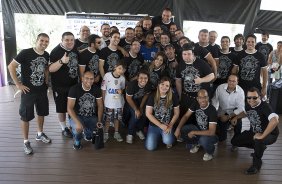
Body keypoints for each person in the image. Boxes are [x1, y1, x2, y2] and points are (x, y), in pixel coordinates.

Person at [8, 33, 51, 155]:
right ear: (36, 40)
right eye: (42, 40)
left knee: (41, 112)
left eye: (46, 41)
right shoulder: (25, 53)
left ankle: (39, 134)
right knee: (25, 116)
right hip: (28, 91)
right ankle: (26, 142)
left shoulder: (47, 55)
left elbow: (46, 68)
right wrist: (18, 85)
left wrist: (46, 81)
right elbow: (11, 66)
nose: (44, 43)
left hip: (42, 90)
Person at [230, 87, 279, 174]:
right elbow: (245, 113)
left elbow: (274, 121)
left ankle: (256, 165)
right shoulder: (248, 104)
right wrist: (236, 117)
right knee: (234, 141)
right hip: (254, 131)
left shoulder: (264, 106)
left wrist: (262, 136)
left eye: (254, 97)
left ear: (259, 97)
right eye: (249, 97)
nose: (251, 100)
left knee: (258, 140)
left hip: (270, 134)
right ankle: (259, 148)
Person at [49, 32, 79, 138]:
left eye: (72, 40)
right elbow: (50, 69)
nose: (70, 42)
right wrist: (62, 61)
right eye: (67, 40)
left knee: (72, 107)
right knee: (61, 108)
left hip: (73, 85)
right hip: (60, 86)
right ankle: (63, 128)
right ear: (62, 40)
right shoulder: (56, 51)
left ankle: (72, 125)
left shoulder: (74, 48)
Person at [175, 89, 218, 161]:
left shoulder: (212, 110)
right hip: (199, 130)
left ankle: (210, 152)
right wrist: (178, 128)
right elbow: (186, 116)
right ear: (197, 99)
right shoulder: (196, 103)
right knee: (184, 129)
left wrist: (194, 132)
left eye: (205, 97)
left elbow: (211, 132)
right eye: (200, 98)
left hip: (210, 134)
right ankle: (197, 143)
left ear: (208, 98)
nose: (203, 100)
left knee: (203, 140)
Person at [175, 43, 214, 118]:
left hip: (200, 99)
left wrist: (201, 80)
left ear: (193, 54)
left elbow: (212, 76)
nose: (187, 56)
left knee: (200, 120)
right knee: (186, 118)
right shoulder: (180, 65)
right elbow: (178, 81)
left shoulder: (201, 63)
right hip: (186, 97)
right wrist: (180, 96)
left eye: (189, 54)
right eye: (184, 54)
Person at [67, 71, 103, 150]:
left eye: (91, 79)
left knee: (97, 127)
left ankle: (87, 134)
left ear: (94, 79)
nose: (89, 81)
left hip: (90, 116)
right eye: (87, 78)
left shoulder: (96, 89)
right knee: (78, 128)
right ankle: (77, 141)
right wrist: (77, 122)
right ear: (82, 78)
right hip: (77, 116)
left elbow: (100, 105)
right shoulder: (74, 89)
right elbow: (69, 108)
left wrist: (99, 121)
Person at [145, 76, 180, 151]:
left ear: (169, 87)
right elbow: (148, 114)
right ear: (158, 85)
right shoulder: (152, 96)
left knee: (168, 141)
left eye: (167, 85)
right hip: (154, 125)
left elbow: (177, 113)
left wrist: (170, 125)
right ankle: (156, 135)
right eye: (162, 84)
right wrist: (160, 125)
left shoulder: (173, 96)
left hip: (167, 125)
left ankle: (163, 136)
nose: (164, 87)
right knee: (150, 147)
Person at [212, 74, 245, 144]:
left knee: (238, 123)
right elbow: (214, 101)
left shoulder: (240, 92)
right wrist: (217, 114)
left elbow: (241, 108)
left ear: (237, 82)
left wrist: (229, 117)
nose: (231, 83)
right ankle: (224, 128)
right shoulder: (220, 88)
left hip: (234, 111)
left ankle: (236, 140)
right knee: (222, 138)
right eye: (230, 80)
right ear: (227, 80)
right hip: (222, 111)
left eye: (234, 81)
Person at [101, 60, 126, 143]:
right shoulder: (107, 75)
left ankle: (116, 132)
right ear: (115, 67)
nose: (121, 71)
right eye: (119, 68)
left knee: (117, 119)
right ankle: (106, 133)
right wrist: (104, 101)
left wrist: (121, 91)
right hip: (108, 102)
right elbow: (103, 89)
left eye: (123, 70)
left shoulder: (122, 78)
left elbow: (122, 88)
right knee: (107, 119)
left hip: (118, 103)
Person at [125, 70, 152, 144]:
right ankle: (130, 134)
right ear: (137, 78)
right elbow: (128, 98)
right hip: (131, 101)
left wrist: (141, 107)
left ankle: (138, 130)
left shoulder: (149, 85)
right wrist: (136, 109)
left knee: (144, 115)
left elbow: (146, 95)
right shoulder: (131, 85)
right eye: (141, 78)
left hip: (140, 101)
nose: (143, 80)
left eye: (145, 78)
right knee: (135, 115)